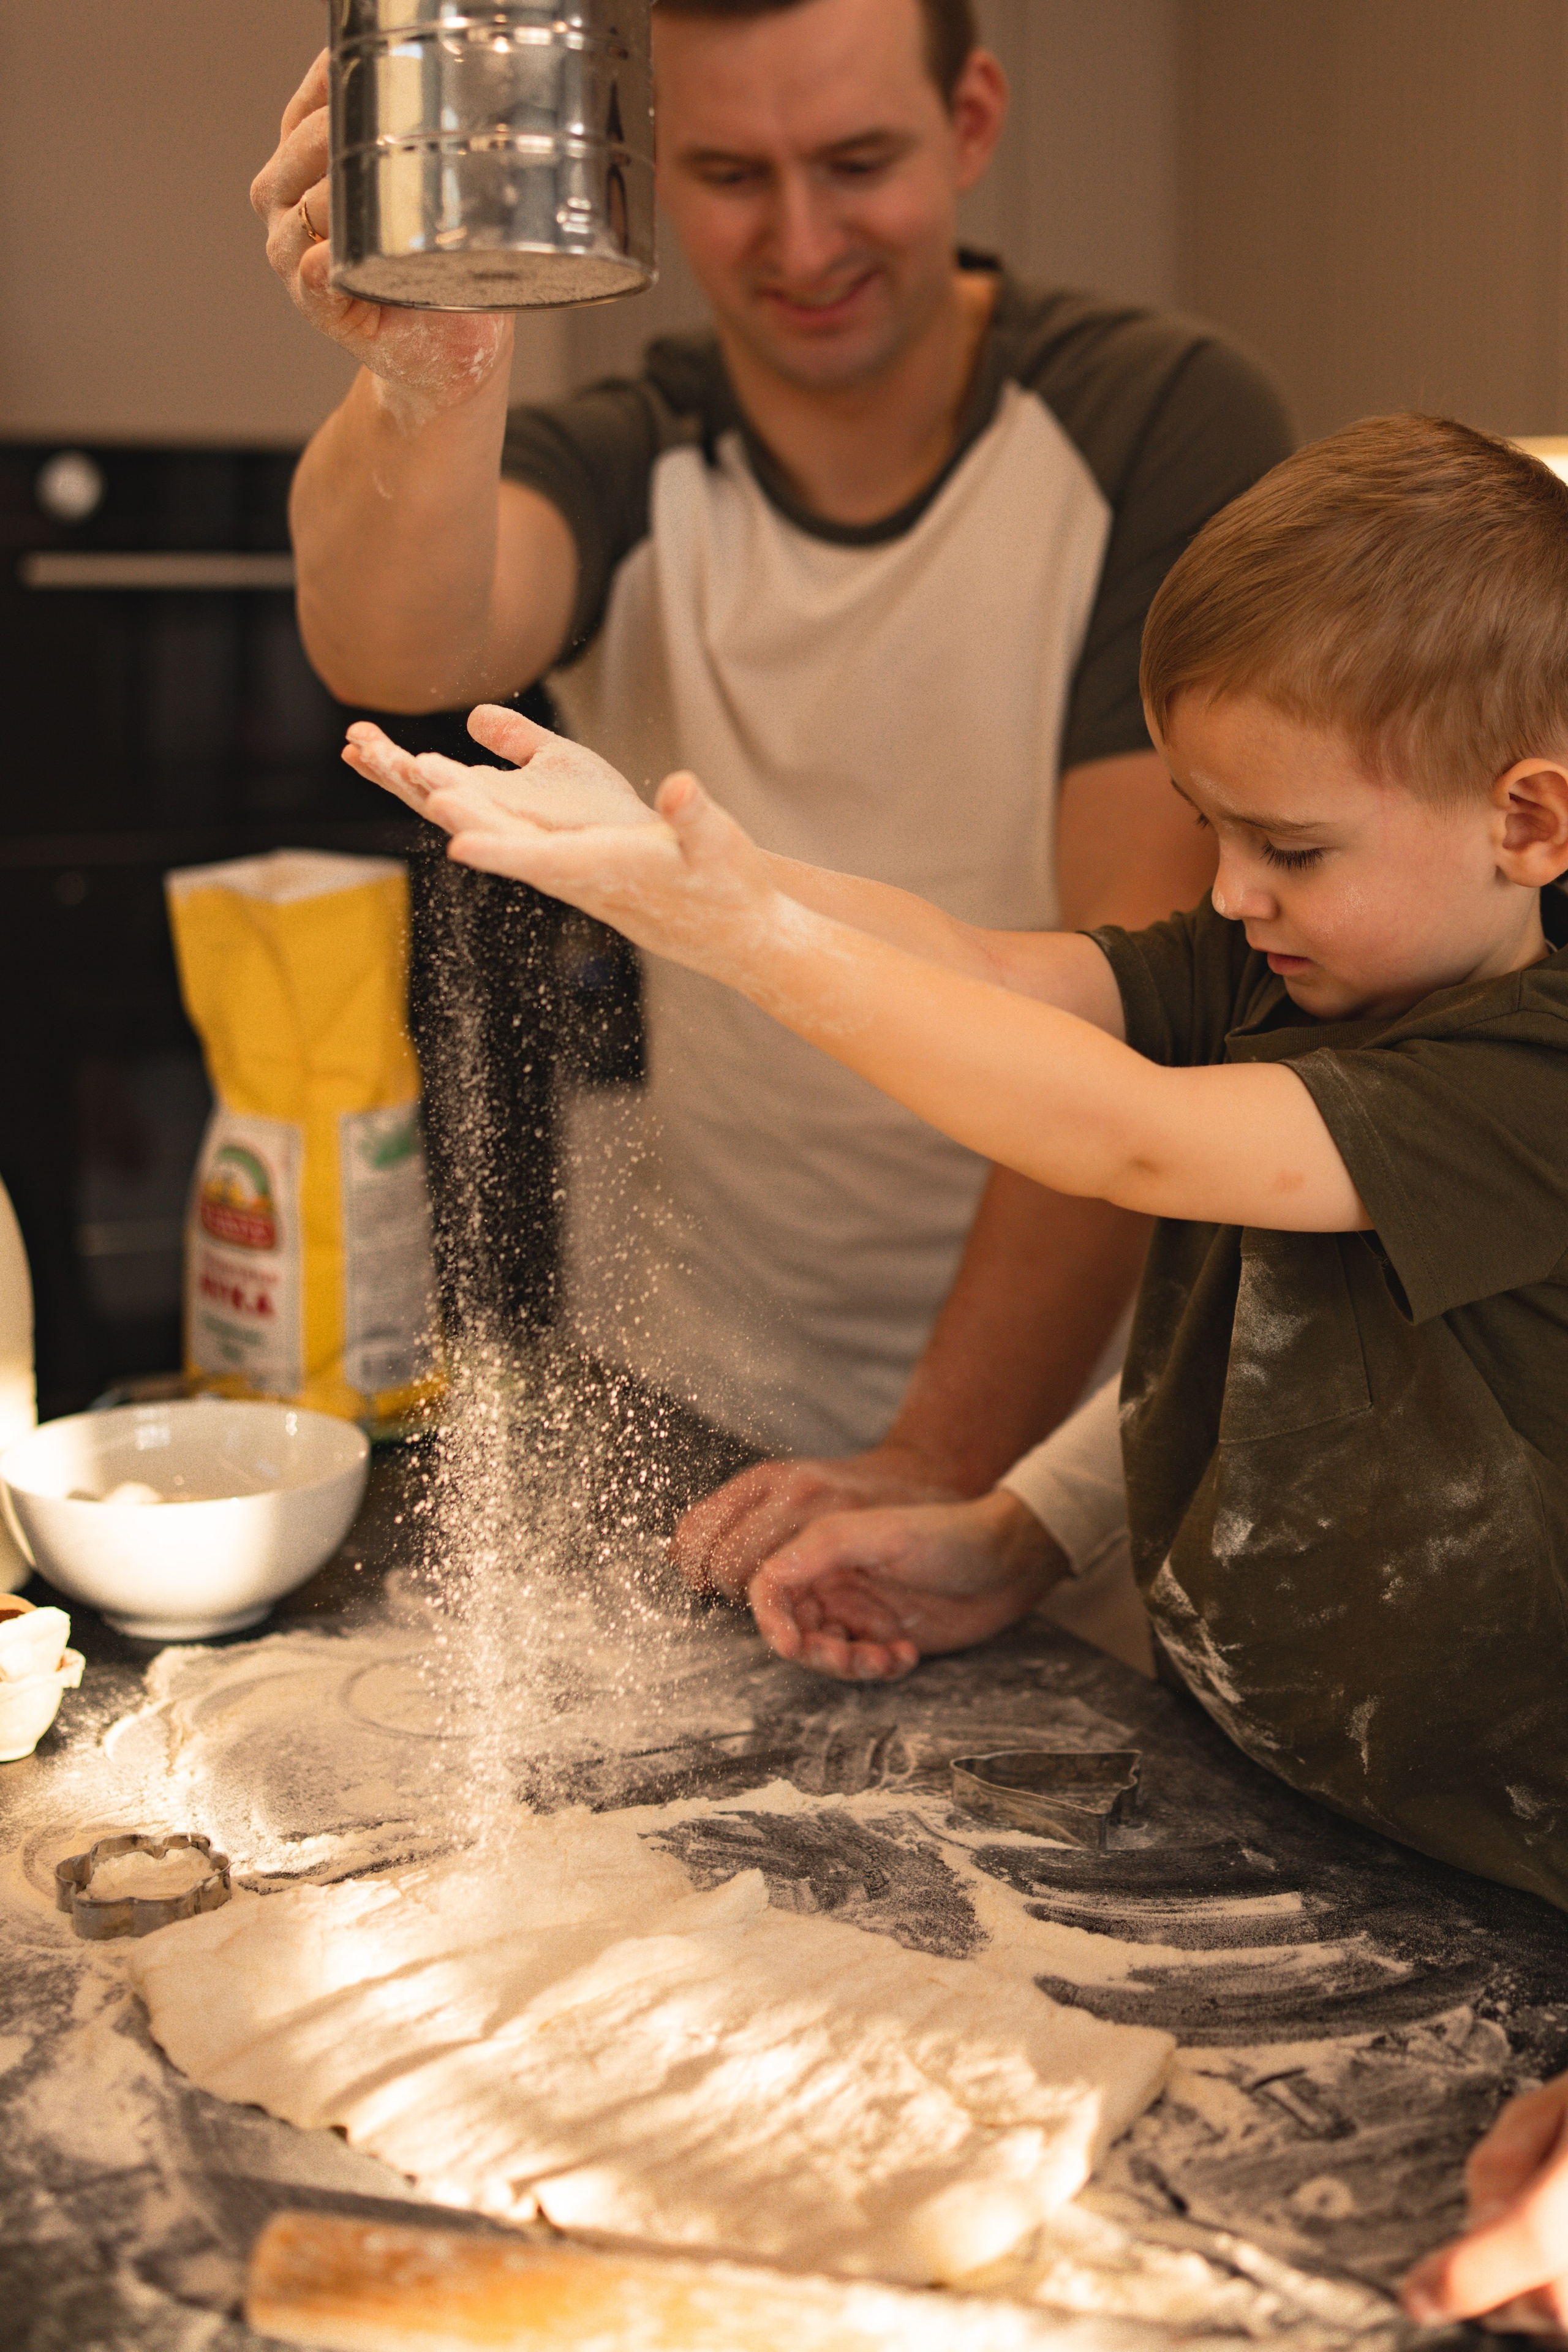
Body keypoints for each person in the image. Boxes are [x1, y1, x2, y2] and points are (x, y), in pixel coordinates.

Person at [342, 409, 1568, 2328]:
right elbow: (1002, 976)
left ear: (1531, 820)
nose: (1230, 888)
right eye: (1214, 828)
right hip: (1290, 1796)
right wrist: (683, 861)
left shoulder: (1538, 1072)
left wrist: (737, 945)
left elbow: (1130, 1141)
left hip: (1521, 1886)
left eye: (1287, 843)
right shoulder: (1309, 957)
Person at [252, 0, 1289, 1633]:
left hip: (1077, 1442)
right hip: (707, 1389)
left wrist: (941, 1456)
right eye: (731, 173)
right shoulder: (638, 458)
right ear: (653, 165)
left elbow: (1136, 1007)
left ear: (970, 122)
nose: (801, 240)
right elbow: (390, 646)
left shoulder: (1157, 424)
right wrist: (425, 379)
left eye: (857, 161)